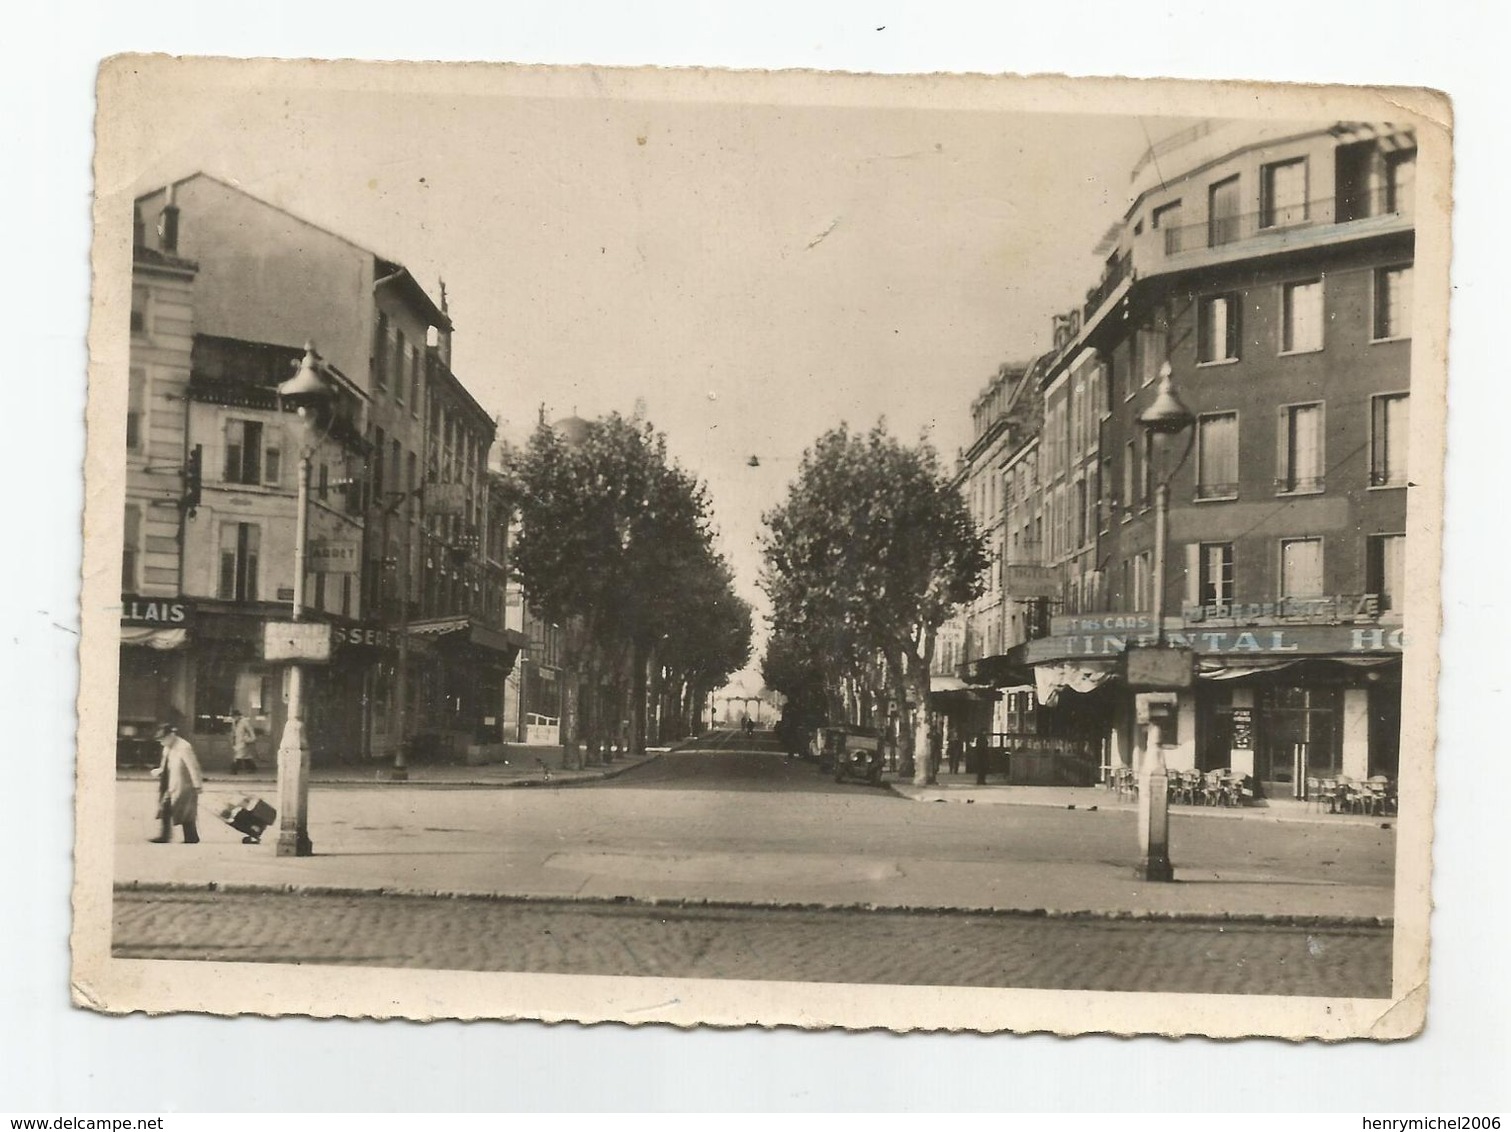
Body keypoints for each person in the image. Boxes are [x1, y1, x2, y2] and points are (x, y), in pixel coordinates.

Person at [149, 722, 203, 844]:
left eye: (163, 739)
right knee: (167, 808)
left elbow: (193, 767)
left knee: (185, 811)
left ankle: (190, 837)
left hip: (185, 785)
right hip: (171, 783)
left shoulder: (184, 747)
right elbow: (165, 764)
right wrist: (159, 771)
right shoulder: (167, 747)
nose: (161, 742)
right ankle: (166, 836)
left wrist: (197, 785)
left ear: (171, 735)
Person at [229, 709, 258, 774]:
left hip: (244, 741)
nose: (234, 718)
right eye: (233, 717)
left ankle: (233, 770)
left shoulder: (244, 721)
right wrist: (232, 740)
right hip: (238, 741)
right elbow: (234, 732)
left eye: (235, 716)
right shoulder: (234, 722)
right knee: (246, 756)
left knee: (238, 756)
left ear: (238, 716)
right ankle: (252, 768)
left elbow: (250, 730)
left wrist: (252, 738)